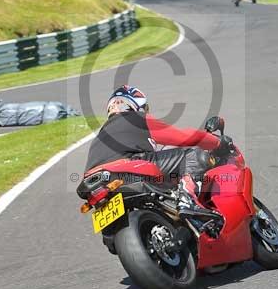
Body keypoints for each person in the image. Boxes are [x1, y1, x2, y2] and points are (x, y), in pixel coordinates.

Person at [84, 85, 230, 235]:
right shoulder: (135, 119)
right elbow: (183, 137)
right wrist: (217, 142)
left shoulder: (100, 135)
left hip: (95, 181)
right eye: (144, 107)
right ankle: (187, 198)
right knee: (194, 155)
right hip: (128, 166)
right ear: (135, 104)